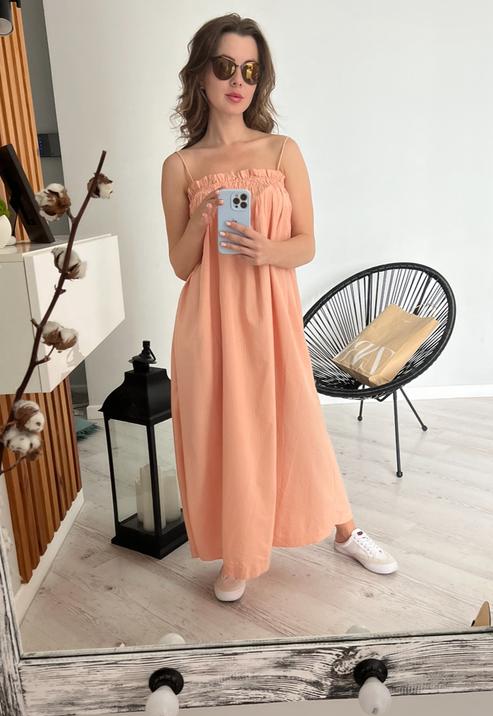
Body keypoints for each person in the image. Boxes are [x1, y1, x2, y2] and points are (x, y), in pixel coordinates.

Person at [161, 13, 398, 603]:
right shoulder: (180, 167)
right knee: (227, 434)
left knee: (296, 422)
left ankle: (345, 530)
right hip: (208, 324)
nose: (236, 81)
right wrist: (202, 218)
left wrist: (267, 250)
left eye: (249, 70)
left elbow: (307, 243)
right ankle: (239, 552)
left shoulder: (281, 151)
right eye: (225, 66)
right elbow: (181, 265)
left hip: (270, 316)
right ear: (201, 74)